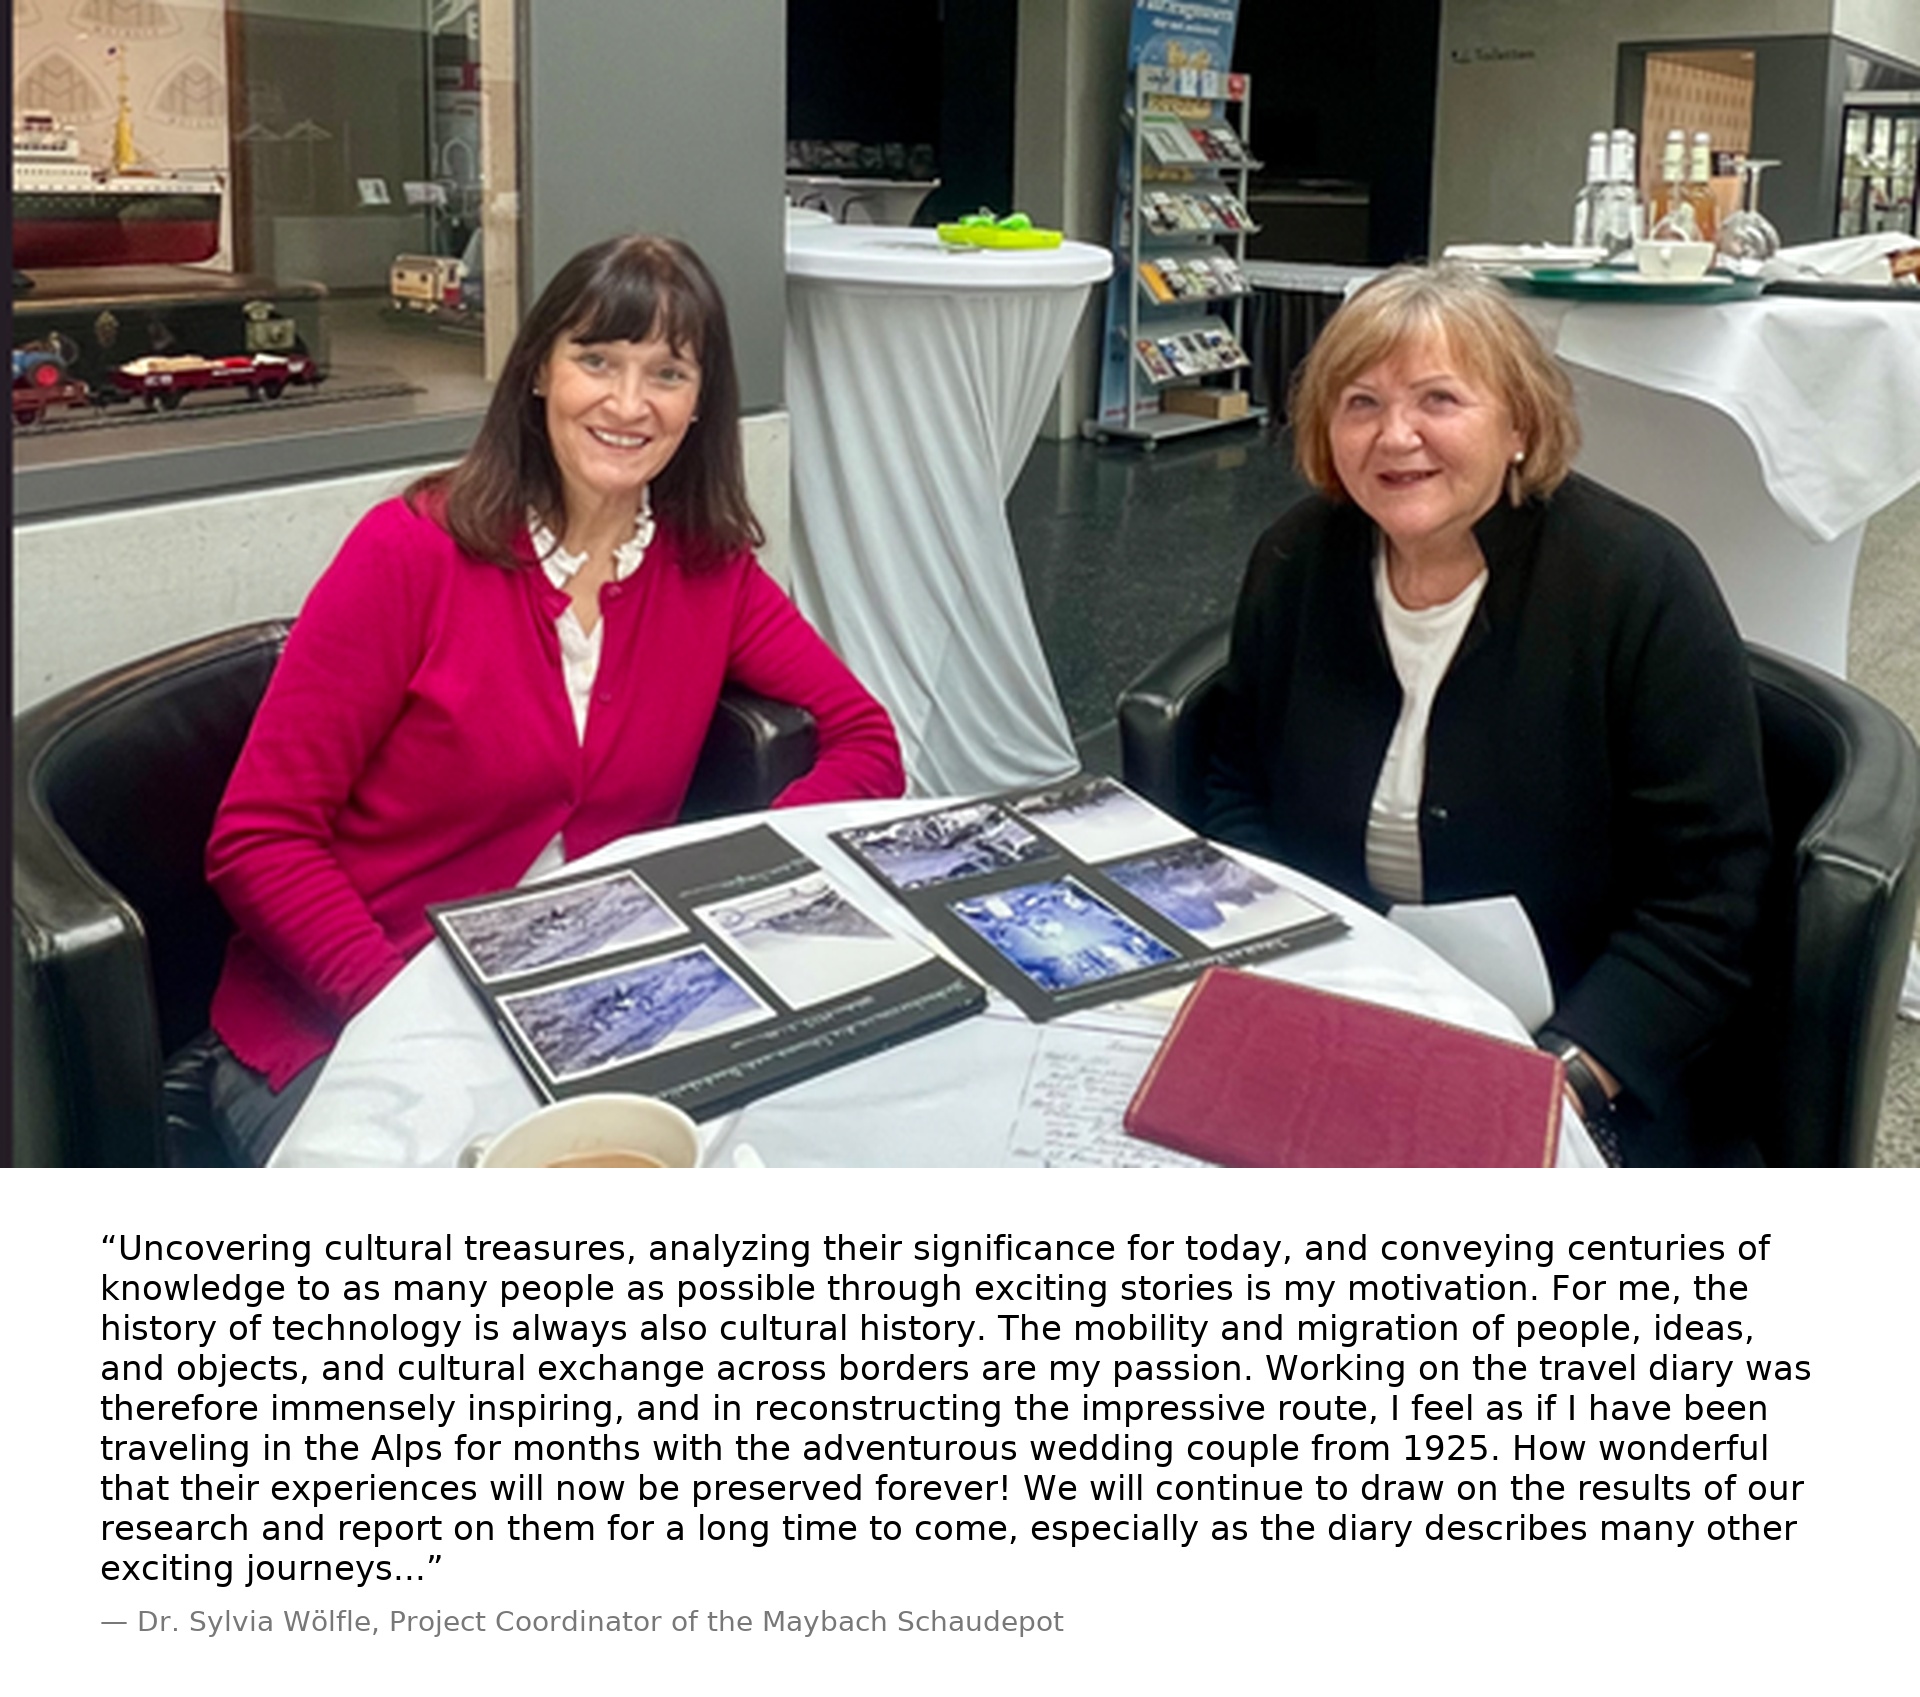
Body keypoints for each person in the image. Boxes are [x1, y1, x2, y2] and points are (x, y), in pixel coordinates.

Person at [205, 233, 904, 1161]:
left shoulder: (709, 569)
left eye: (668, 373)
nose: (629, 403)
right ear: (539, 370)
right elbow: (259, 838)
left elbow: (864, 737)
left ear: (700, 402)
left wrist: (736, 877)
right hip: (346, 1026)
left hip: (584, 1020)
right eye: (597, 360)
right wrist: (407, 1014)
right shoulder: (409, 552)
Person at [1202, 263, 1771, 1165]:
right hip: (1342, 1006)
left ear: (1520, 426)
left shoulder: (1636, 583)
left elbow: (1708, 899)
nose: (1396, 436)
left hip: (1578, 1047)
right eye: (1360, 402)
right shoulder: (1297, 560)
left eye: (1439, 399)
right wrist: (1289, 971)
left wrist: (1565, 1072)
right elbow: (1235, 787)